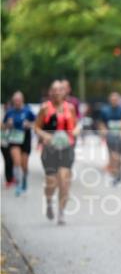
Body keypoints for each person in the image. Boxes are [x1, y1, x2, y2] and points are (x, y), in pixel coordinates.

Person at [34, 80, 80, 224]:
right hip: (50, 149)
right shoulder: (45, 108)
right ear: (50, 92)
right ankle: (49, 201)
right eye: (54, 90)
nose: (57, 92)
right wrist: (45, 136)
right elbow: (36, 127)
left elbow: (76, 125)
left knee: (64, 181)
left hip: (67, 148)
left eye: (60, 90)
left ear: (65, 92)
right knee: (51, 183)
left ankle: (61, 212)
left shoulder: (71, 108)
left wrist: (76, 132)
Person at [3, 91, 35, 196]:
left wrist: (29, 124)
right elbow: (2, 126)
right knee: (16, 162)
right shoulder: (9, 112)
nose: (17, 102)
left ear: (22, 100)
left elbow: (37, 123)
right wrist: (8, 124)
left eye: (18, 100)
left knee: (24, 164)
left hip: (25, 138)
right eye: (15, 100)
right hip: (14, 139)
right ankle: (18, 184)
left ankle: (24, 180)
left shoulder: (28, 111)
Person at [98, 91, 121, 185]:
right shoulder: (105, 110)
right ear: (109, 100)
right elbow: (101, 123)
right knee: (113, 154)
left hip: (120, 136)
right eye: (112, 99)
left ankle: (118, 171)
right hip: (110, 136)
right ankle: (116, 174)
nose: (114, 101)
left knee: (119, 155)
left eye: (116, 99)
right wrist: (104, 132)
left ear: (118, 100)